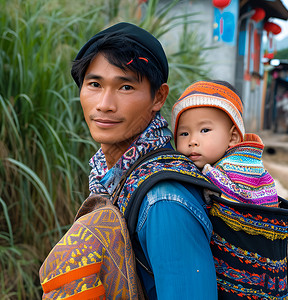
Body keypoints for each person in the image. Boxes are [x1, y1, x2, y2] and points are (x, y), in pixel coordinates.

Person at [71, 22, 218, 299]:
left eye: (125, 87)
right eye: (94, 84)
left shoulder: (164, 201)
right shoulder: (111, 176)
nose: (104, 104)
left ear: (158, 97)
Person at [171, 80, 279, 207]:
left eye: (205, 130)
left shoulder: (238, 168)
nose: (192, 141)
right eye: (184, 134)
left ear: (233, 137)